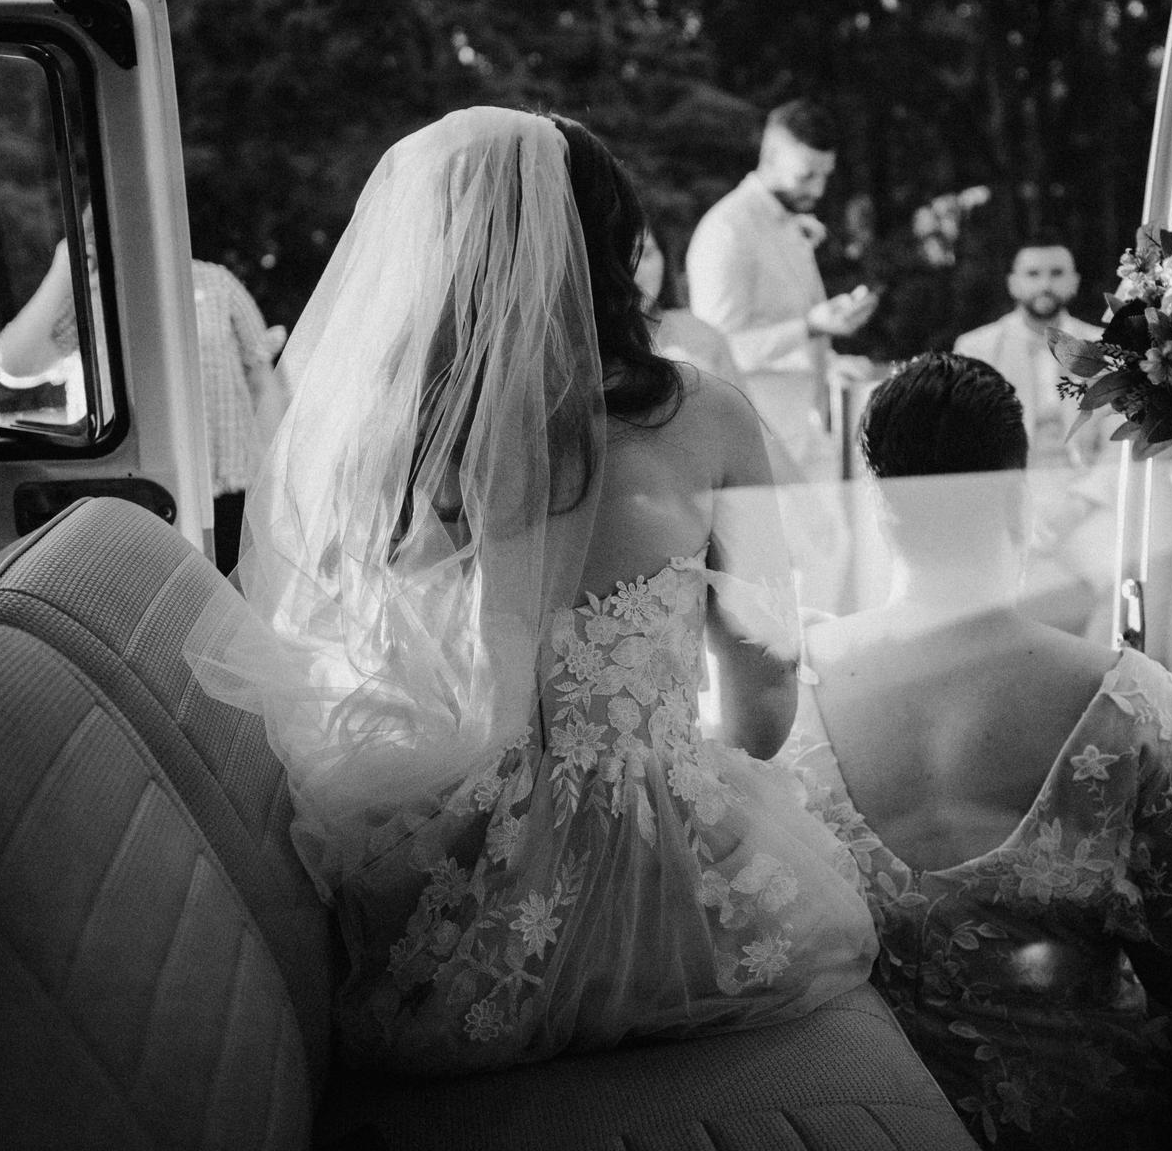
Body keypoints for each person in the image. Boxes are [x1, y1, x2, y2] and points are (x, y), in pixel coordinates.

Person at [185, 107, 875, 1075]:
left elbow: (344, 653)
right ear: (613, 250)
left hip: (454, 887)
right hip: (660, 886)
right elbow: (763, 705)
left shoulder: (376, 442)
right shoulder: (706, 414)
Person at [783, 352, 1172, 1149]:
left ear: (878, 504)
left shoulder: (793, 688)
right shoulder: (1134, 706)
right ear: (1019, 496)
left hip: (851, 1123)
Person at [0, 222, 288, 572]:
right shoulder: (87, 298)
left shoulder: (215, 282)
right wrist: (63, 269)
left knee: (229, 598)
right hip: (126, 487)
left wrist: (277, 478)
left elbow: (261, 381)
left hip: (226, 486)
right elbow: (13, 365)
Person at [686, 100, 879, 483]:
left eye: (826, 175)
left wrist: (832, 360)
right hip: (759, 441)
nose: (819, 189)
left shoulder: (791, 222)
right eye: (807, 175)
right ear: (771, 155)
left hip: (809, 433)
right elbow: (717, 353)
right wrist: (810, 325)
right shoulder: (727, 230)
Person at [953, 241, 1106, 470]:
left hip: (1087, 486)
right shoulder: (975, 349)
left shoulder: (1104, 347)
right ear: (1012, 284)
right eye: (1033, 274)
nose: (1045, 285)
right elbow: (964, 438)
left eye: (1057, 273)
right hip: (1006, 488)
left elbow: (1115, 438)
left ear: (1074, 282)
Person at [635, 226, 745, 392]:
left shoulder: (700, 335)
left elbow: (743, 412)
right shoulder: (590, 350)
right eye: (621, 259)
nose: (636, 271)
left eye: (647, 254)